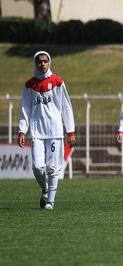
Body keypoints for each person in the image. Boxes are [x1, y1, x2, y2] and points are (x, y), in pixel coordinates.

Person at [18, 51, 76, 210]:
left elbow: (66, 106)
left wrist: (70, 131)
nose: (42, 64)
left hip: (55, 130)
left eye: (45, 61)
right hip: (37, 131)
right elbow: (25, 109)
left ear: (49, 62)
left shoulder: (57, 81)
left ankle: (50, 202)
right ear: (35, 63)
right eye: (39, 62)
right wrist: (22, 130)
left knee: (52, 168)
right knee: (37, 167)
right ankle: (45, 189)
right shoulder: (29, 85)